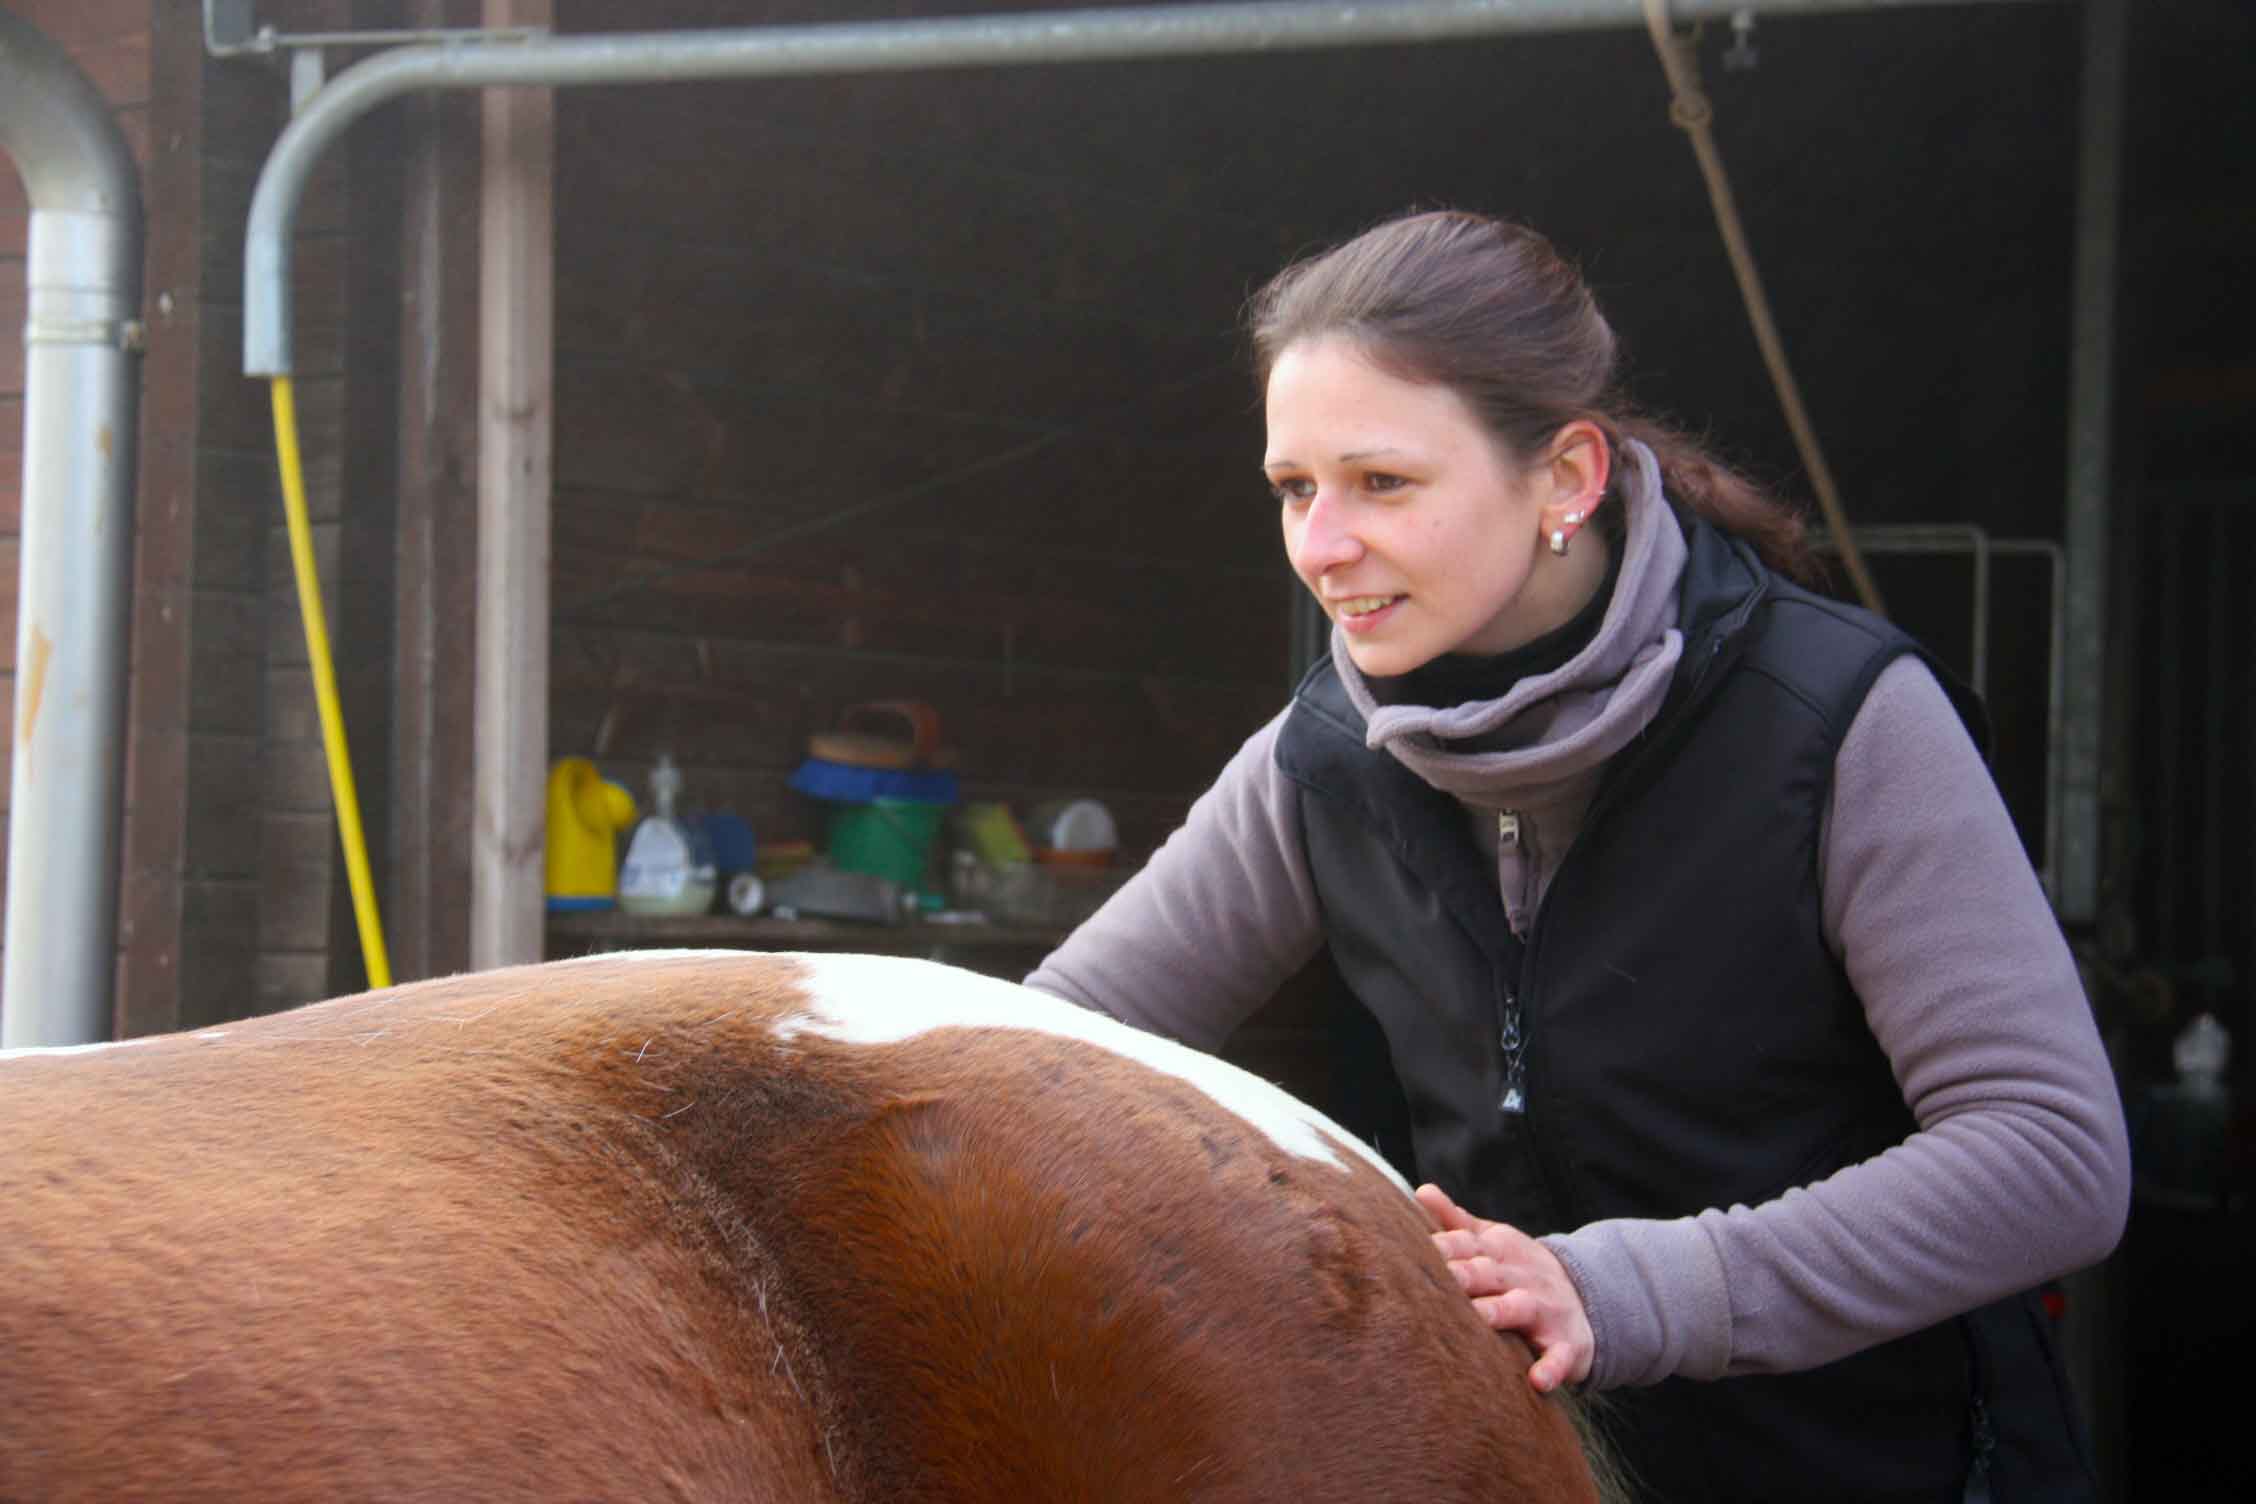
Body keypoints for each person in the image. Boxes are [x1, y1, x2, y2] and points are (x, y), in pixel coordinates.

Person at [1023, 209, 2128, 1502]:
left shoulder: (1833, 718)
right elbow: (1044, 1049)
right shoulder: (1325, 754)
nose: (1321, 547)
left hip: (1896, 1469)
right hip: (1540, 1475)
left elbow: (2050, 1153)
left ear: (1567, 478)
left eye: (1382, 483)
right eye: (1294, 488)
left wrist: (1624, 1288)